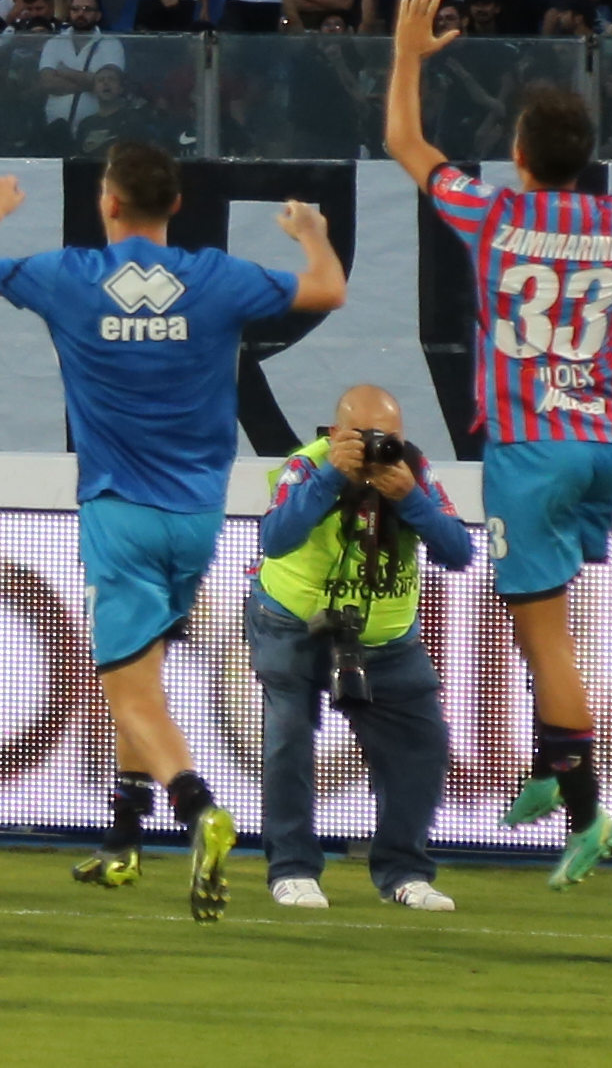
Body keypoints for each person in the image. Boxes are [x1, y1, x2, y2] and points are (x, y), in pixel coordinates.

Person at [0, 141, 348, 919]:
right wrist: (309, 234)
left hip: (118, 511)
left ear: (108, 202)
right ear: (176, 204)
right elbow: (328, 289)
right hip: (195, 516)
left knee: (126, 694)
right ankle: (123, 838)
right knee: (145, 680)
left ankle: (199, 812)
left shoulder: (69, 277)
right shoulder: (217, 278)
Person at [385, 0, 612, 888]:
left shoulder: (489, 212)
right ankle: (547, 764)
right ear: (586, 162)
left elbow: (406, 146)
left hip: (531, 445)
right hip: (607, 437)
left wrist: (408, 58)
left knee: (544, 641)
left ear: (519, 154)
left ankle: (587, 813)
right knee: (549, 619)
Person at [245, 381, 474, 912]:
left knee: (423, 745)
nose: (376, 448)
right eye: (364, 437)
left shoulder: (414, 472)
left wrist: (409, 498)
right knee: (289, 739)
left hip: (385, 639)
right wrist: (331, 479)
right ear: (336, 432)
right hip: (293, 622)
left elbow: (459, 552)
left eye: (387, 437)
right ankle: (294, 870)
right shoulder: (308, 466)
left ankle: (404, 873)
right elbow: (276, 538)